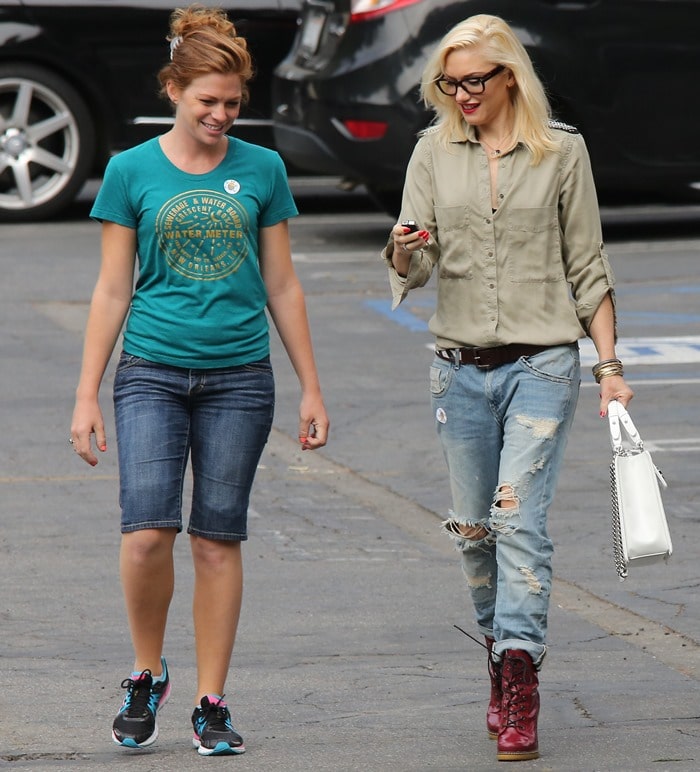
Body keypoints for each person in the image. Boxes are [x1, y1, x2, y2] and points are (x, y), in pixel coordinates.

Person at [70, 4, 328, 757]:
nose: (221, 115)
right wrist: (87, 392)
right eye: (207, 101)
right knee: (148, 532)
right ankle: (146, 673)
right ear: (174, 91)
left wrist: (312, 386)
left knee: (218, 540)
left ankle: (212, 702)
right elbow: (113, 290)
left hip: (241, 378)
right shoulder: (130, 171)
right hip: (149, 370)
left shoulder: (262, 169)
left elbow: (283, 286)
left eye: (233, 104)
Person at [382, 14, 633, 763]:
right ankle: (499, 654)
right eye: (448, 82)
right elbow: (415, 266)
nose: (460, 94)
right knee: (474, 533)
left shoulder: (562, 152)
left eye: (473, 81)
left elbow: (588, 265)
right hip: (458, 369)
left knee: (518, 519)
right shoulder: (432, 151)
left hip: (542, 366)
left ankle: (522, 675)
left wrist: (610, 370)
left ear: (509, 78)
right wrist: (402, 251)